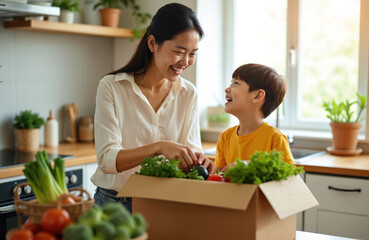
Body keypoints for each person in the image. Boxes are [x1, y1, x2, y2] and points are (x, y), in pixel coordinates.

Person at [92, 3, 216, 213]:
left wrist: (198, 159)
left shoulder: (188, 93)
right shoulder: (112, 86)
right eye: (179, 51)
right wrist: (159, 147)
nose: (185, 62)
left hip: (165, 201)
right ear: (152, 43)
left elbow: (192, 148)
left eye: (192, 53)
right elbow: (107, 160)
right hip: (115, 204)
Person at [215, 63, 295, 172]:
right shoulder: (225, 137)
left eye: (236, 83)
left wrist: (252, 166)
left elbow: (289, 176)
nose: (227, 89)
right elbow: (218, 178)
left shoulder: (275, 138)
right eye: (231, 83)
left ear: (257, 96)